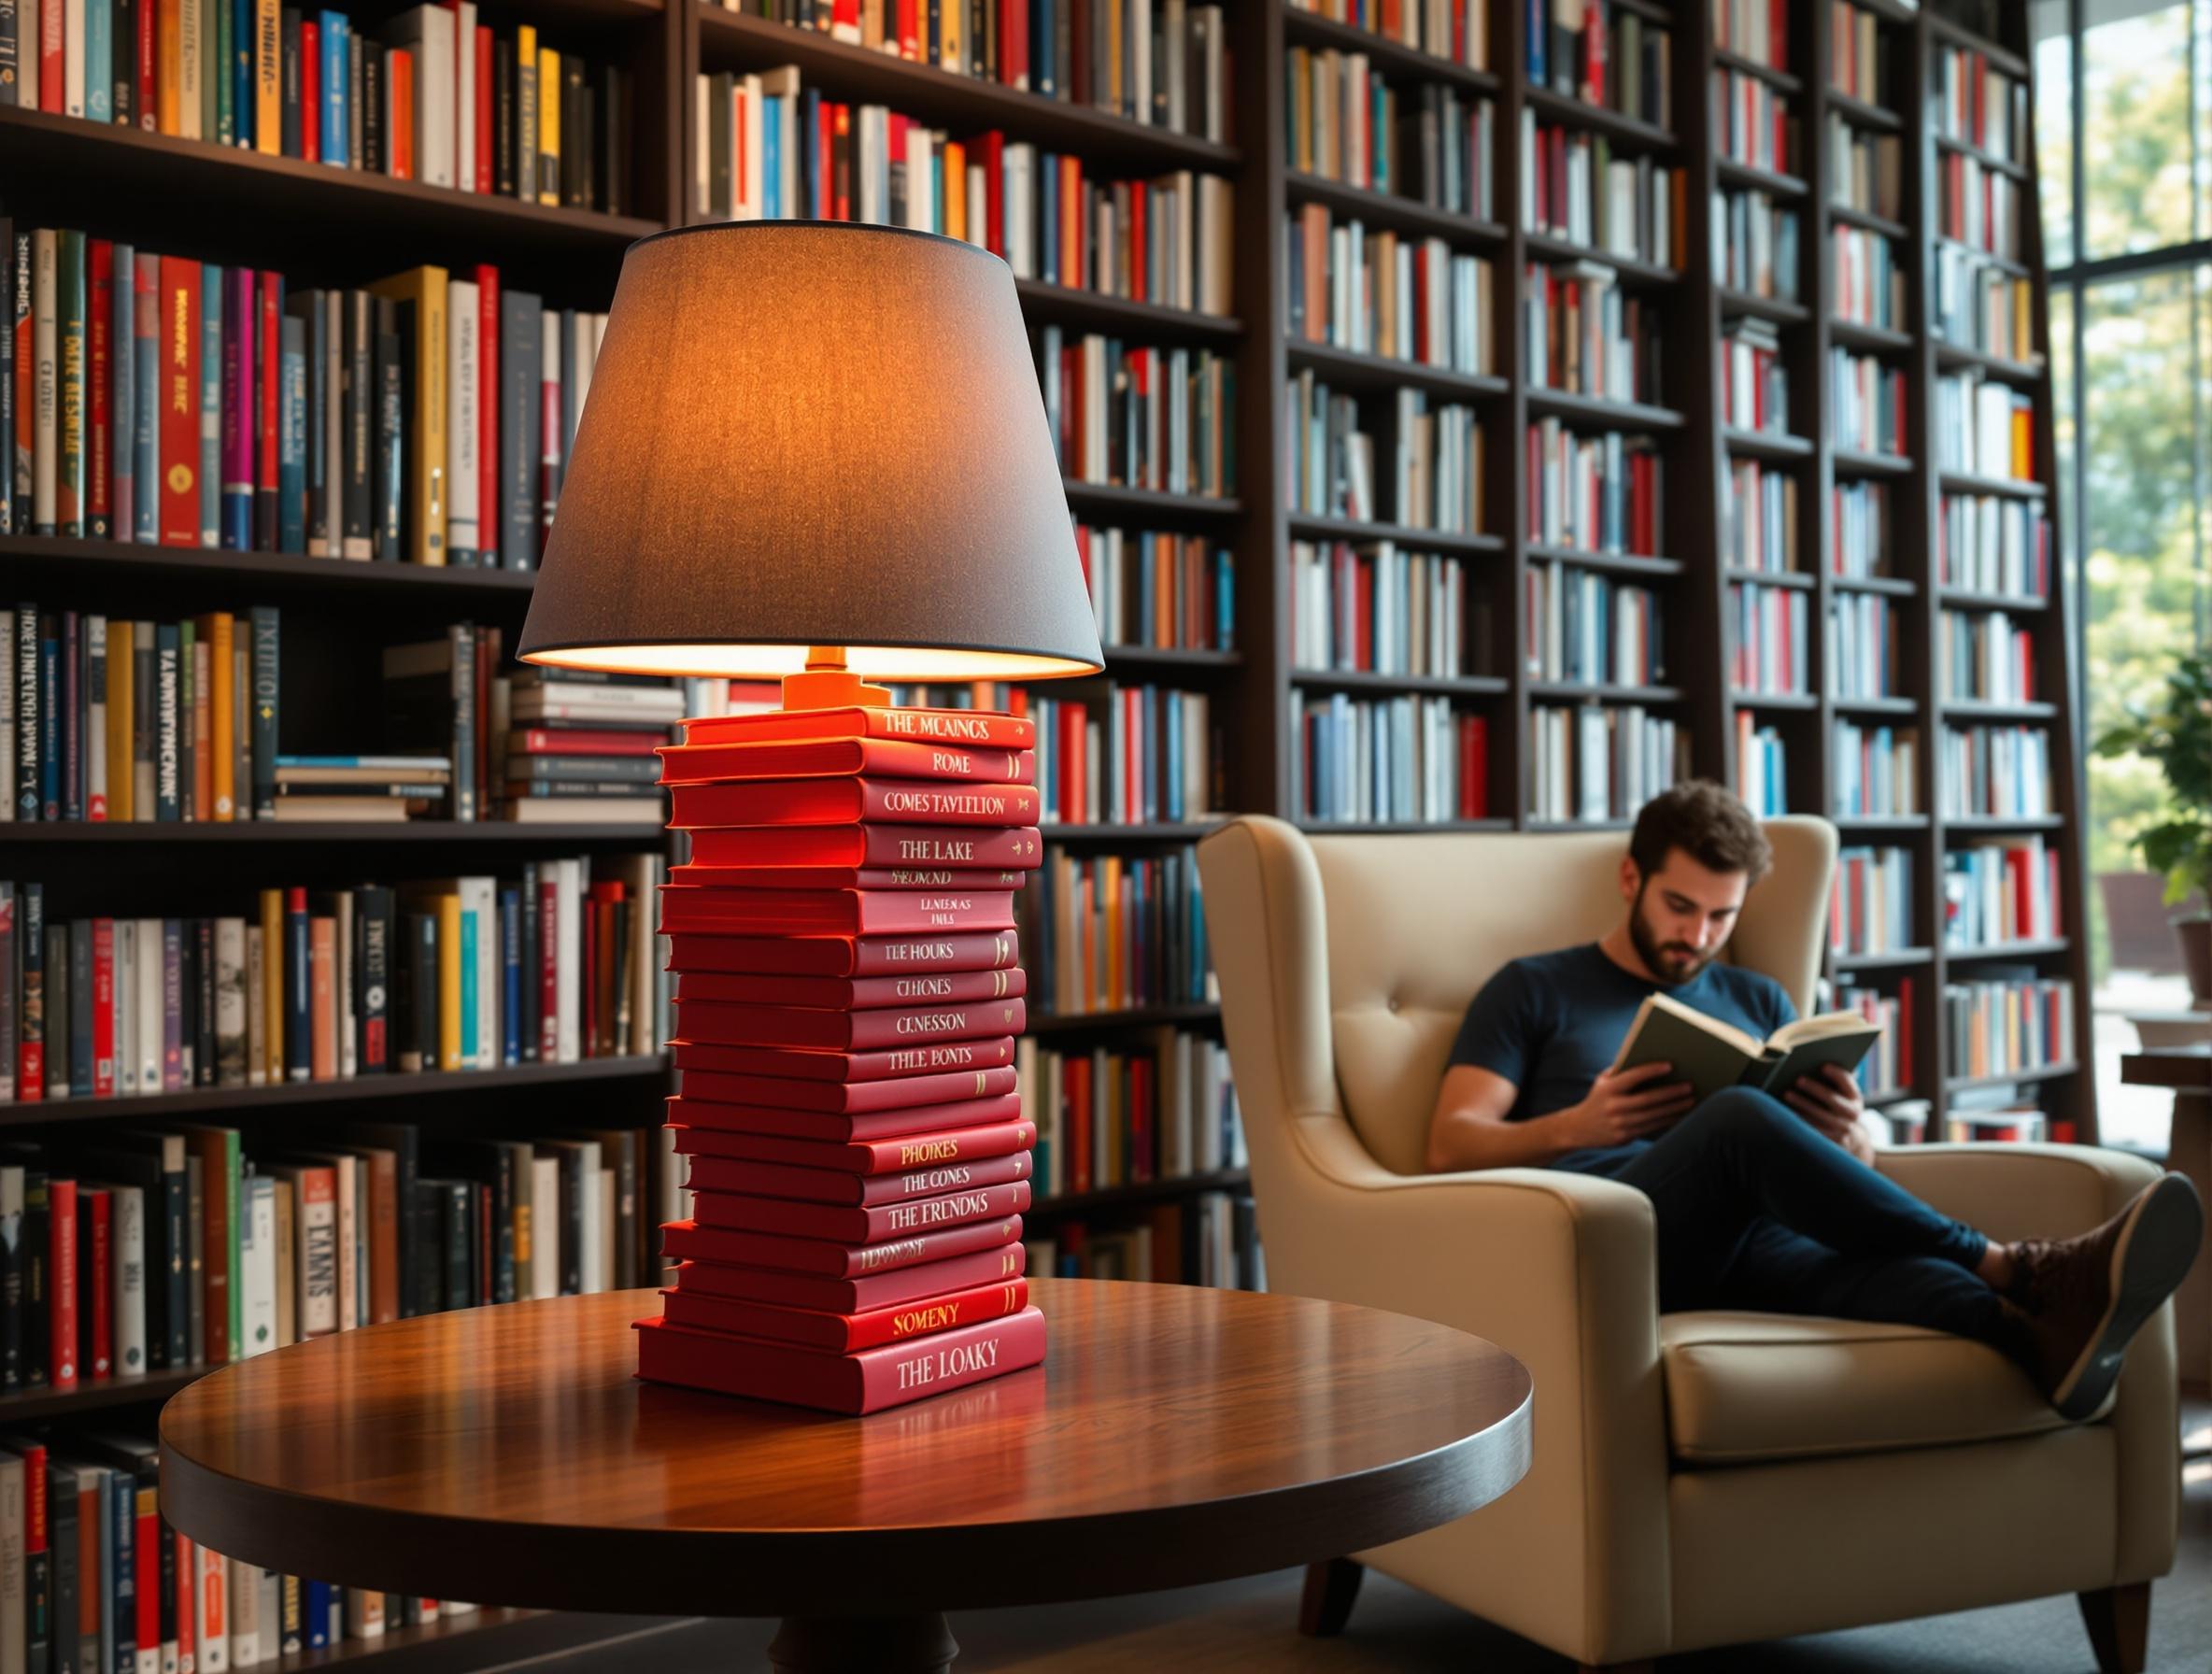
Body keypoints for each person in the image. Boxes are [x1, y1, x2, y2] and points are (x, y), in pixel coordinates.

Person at [1427, 780, 2203, 1421]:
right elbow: (1450, 1143)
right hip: (1617, 1236)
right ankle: (2018, 1263)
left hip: (1750, 1239)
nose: (1698, 934)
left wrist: (1849, 1134)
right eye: (1679, 906)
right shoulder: (1534, 988)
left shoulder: (1756, 996)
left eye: (1721, 915)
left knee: (1914, 1282)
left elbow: (1835, 1161)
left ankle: (2044, 1335)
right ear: (1632, 880)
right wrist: (1576, 1124)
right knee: (1733, 1119)